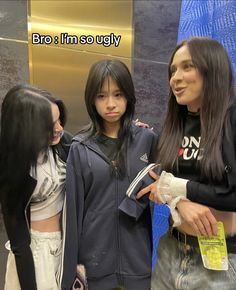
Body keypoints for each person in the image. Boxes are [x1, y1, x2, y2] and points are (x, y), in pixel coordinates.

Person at [137, 37, 236, 289]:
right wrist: (180, 202)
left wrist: (181, 189)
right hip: (171, 249)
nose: (175, 78)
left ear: (211, 69)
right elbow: (157, 185)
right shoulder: (175, 124)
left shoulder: (230, 119)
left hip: (219, 260)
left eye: (187, 67)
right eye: (172, 70)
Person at [61, 59, 158, 290]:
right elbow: (73, 214)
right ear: (91, 99)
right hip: (94, 266)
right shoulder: (80, 147)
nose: (110, 104)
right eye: (101, 96)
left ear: (128, 96)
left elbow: (161, 184)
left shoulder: (148, 140)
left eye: (118, 94)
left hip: (138, 264)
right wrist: (69, 274)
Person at [0, 84, 72, 290]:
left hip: (65, 245)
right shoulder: (11, 166)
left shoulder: (62, 143)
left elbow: (92, 147)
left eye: (60, 120)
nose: (59, 128)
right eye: (50, 125)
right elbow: (19, 240)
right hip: (34, 253)